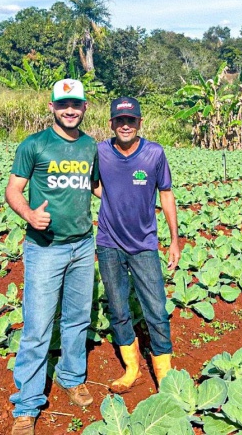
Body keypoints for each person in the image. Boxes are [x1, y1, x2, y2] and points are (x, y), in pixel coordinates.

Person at [5, 79, 100, 435]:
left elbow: (95, 185)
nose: (70, 110)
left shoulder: (91, 146)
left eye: (76, 104)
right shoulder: (35, 145)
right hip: (45, 248)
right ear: (52, 107)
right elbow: (13, 189)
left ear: (85, 107)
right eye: (63, 105)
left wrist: (129, 195)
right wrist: (29, 215)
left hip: (82, 245)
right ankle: (27, 405)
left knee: (77, 318)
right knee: (37, 326)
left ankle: (72, 377)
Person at [95, 96, 180, 394]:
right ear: (111, 124)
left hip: (144, 245)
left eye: (131, 120)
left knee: (155, 308)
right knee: (118, 308)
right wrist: (110, 200)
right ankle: (132, 368)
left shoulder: (154, 154)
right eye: (120, 120)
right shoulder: (101, 151)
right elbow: (94, 183)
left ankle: (165, 376)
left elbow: (166, 194)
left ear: (139, 123)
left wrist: (174, 240)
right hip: (108, 243)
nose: (125, 125)